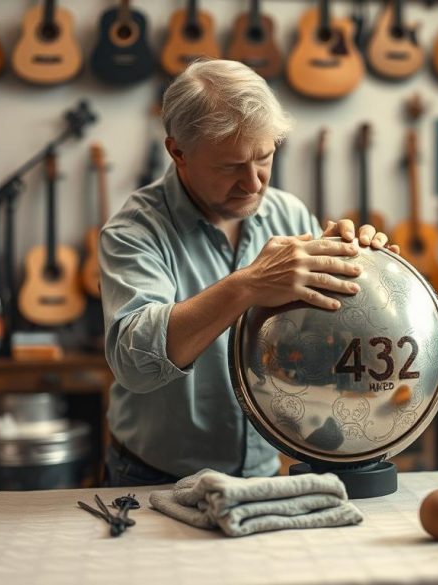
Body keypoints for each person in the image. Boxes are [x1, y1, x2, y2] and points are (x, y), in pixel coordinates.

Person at [99, 59, 397, 487]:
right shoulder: (133, 232)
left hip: (265, 472)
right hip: (153, 478)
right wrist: (248, 285)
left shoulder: (288, 212)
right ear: (177, 152)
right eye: (230, 166)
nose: (254, 184)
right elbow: (133, 360)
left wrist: (369, 273)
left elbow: (327, 334)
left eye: (264, 157)